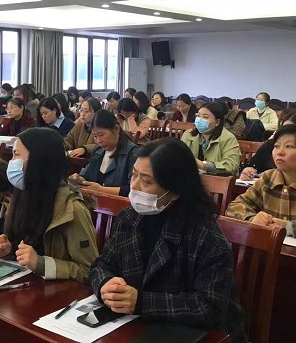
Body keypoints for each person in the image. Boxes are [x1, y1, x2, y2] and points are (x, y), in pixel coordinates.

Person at [89, 138, 246, 342]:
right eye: (133, 175)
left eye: (146, 181)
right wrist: (105, 284)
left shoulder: (205, 235)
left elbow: (210, 307)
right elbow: (101, 265)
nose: (134, 186)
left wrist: (141, 302)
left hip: (198, 335)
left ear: (176, 191)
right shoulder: (129, 218)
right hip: (138, 327)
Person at [0, 128, 98, 283]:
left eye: (16, 154)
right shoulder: (23, 195)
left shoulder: (72, 209)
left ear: (38, 161)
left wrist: (42, 264)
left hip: (58, 292)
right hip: (27, 285)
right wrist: (8, 251)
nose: (11, 161)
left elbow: (90, 271)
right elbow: (26, 251)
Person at [69, 110, 139, 196]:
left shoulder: (132, 153)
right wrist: (78, 179)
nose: (98, 141)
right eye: (95, 136)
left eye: (101, 135)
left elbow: (133, 190)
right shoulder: (97, 151)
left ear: (116, 129)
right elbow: (86, 175)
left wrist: (101, 190)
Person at [240, 110, 296, 179]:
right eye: (277, 146)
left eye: (289, 146)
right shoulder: (270, 145)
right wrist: (248, 170)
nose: (280, 152)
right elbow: (253, 164)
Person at [180, 102, 240, 175]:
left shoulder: (228, 138)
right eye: (198, 116)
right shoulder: (188, 134)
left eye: (205, 117)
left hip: (217, 179)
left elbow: (231, 166)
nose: (200, 120)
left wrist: (203, 165)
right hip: (191, 178)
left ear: (217, 122)